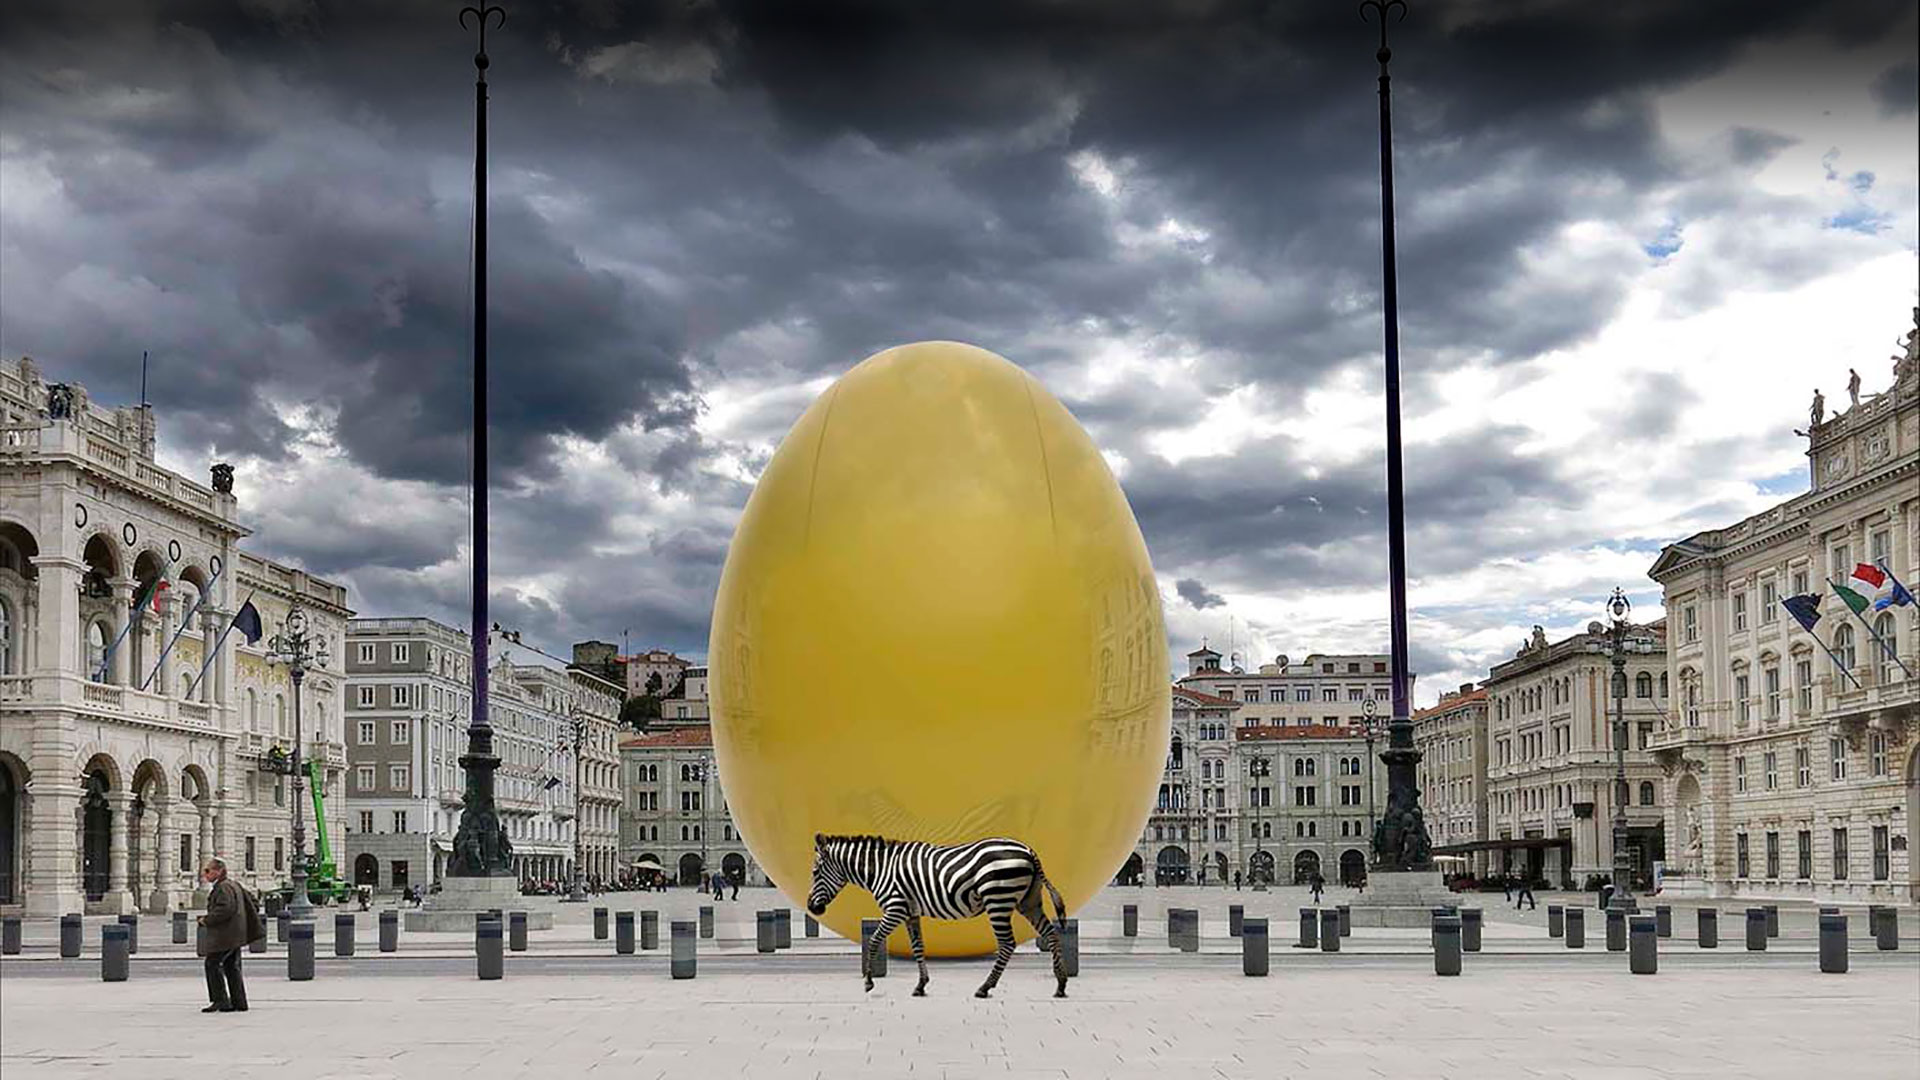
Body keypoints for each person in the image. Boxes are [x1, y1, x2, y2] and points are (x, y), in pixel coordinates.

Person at [196, 857, 262, 1013]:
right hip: (235, 934)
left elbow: (225, 909)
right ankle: (239, 1002)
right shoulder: (233, 884)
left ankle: (220, 1000)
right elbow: (253, 901)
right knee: (231, 966)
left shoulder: (223, 887)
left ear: (218, 871)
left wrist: (207, 919)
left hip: (226, 936)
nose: (205, 874)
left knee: (212, 964)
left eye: (207, 870)